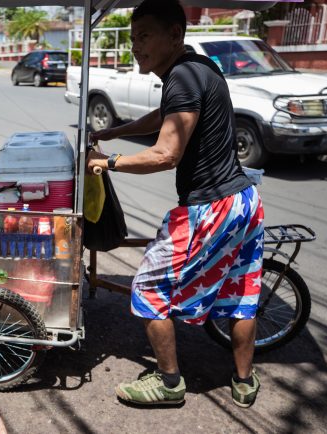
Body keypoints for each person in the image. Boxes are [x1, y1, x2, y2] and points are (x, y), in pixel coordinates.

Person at [87, 0, 264, 408]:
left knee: (148, 289)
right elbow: (166, 115)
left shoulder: (181, 77)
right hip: (243, 201)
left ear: (174, 35)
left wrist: (107, 161)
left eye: (144, 36)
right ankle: (243, 381)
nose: (136, 46)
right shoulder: (199, 67)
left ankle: (169, 384)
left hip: (210, 208)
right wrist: (116, 131)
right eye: (133, 38)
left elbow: (166, 152)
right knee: (241, 293)